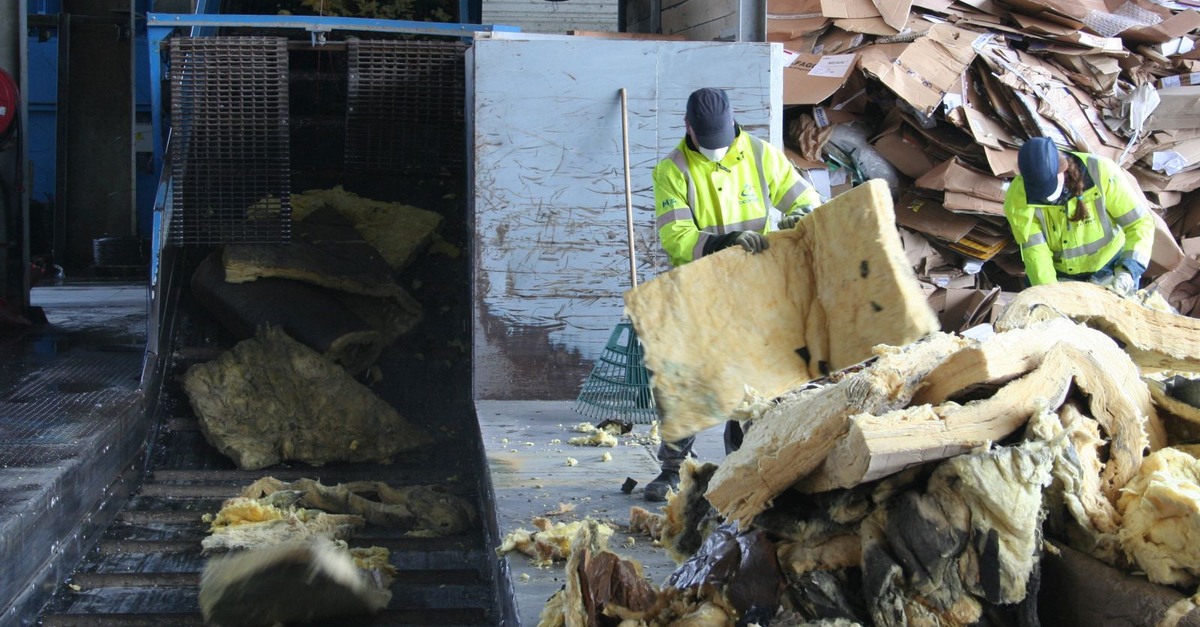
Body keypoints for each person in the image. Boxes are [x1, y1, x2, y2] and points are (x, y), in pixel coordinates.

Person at [644, 87, 822, 502]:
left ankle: (744, 466)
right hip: (700, 287)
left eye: (722, 144)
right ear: (688, 129)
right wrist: (723, 242)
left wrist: (803, 214)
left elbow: (805, 198)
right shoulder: (672, 170)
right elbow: (675, 235)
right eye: (708, 146)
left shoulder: (759, 154)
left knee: (754, 383)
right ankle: (671, 471)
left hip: (755, 285)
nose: (717, 153)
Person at [1004, 137, 1154, 295]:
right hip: (1062, 276)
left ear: (1061, 170)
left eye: (1050, 189)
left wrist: (1128, 270)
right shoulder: (1018, 198)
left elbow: (1139, 224)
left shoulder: (1101, 172)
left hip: (1111, 267)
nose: (1047, 199)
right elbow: (1035, 253)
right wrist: (1049, 294)